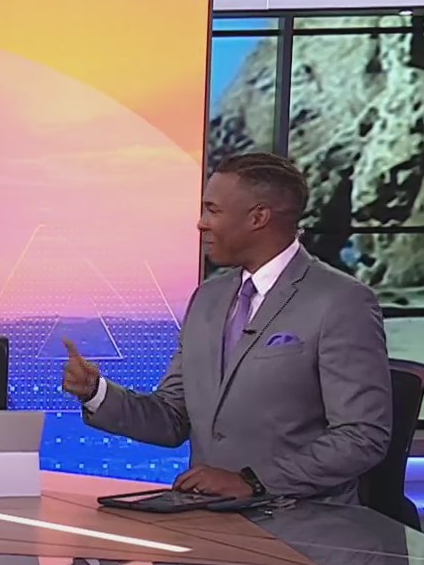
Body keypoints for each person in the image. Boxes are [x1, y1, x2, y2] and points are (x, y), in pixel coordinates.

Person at [63, 153, 392, 503]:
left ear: (258, 217)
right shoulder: (208, 298)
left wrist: (254, 482)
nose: (201, 224)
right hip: (208, 516)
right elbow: (172, 418)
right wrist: (96, 392)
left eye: (213, 210)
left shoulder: (341, 301)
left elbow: (362, 435)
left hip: (300, 518)